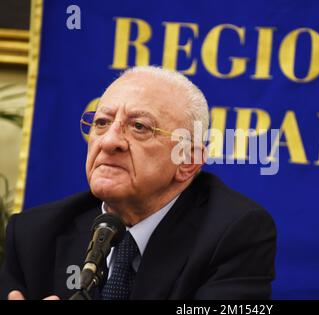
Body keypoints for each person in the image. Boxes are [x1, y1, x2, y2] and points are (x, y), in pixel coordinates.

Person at [0, 66, 277, 300]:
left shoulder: (234, 234)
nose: (109, 141)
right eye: (101, 123)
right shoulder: (33, 234)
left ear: (188, 161)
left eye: (139, 127)